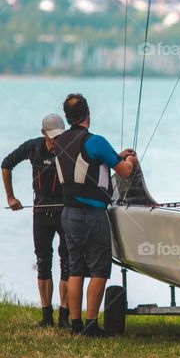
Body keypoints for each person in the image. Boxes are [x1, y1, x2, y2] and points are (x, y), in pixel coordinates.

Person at [54, 93, 139, 337]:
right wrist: (129, 160)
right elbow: (123, 172)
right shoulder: (96, 141)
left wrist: (116, 155)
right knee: (99, 268)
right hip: (91, 214)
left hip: (67, 214)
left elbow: (86, 162)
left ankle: (75, 324)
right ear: (87, 114)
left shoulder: (60, 141)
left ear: (68, 117)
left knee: (75, 268)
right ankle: (91, 324)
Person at [1, 113, 70, 328]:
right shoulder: (33, 147)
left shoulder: (71, 148)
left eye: (59, 137)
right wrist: (10, 197)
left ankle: (65, 318)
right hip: (41, 211)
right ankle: (47, 315)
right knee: (43, 262)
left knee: (67, 262)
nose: (55, 142)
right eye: (52, 138)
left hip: (65, 210)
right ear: (43, 133)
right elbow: (6, 164)